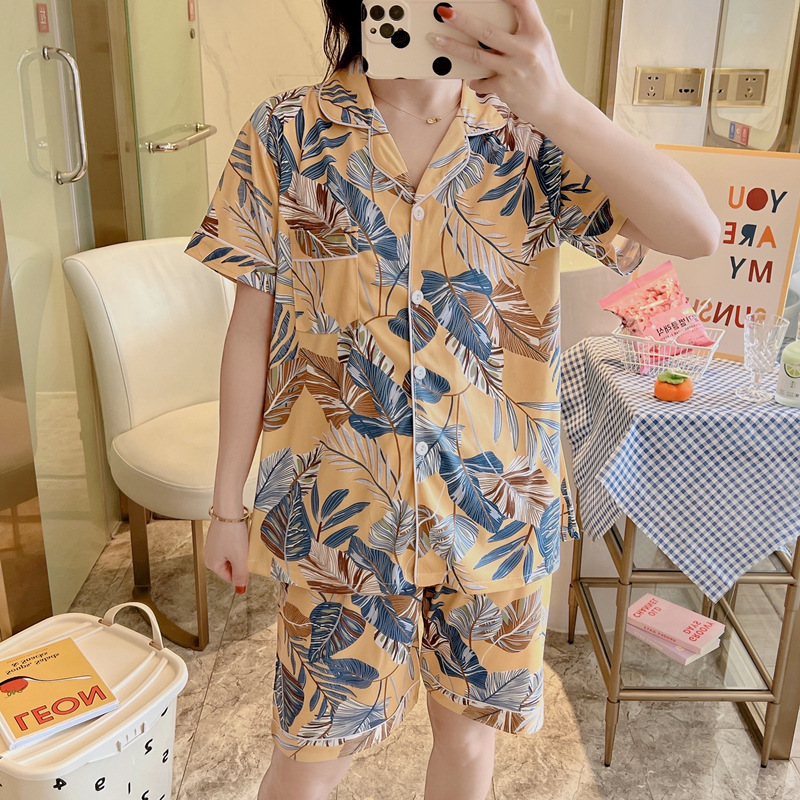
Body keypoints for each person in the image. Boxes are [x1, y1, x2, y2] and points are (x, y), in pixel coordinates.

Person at [184, 2, 720, 798]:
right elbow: (249, 331)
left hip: (496, 516)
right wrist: (226, 505)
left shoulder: (533, 137)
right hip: (340, 517)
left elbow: (697, 231)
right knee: (309, 758)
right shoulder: (285, 132)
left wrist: (557, 102)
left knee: (469, 745)